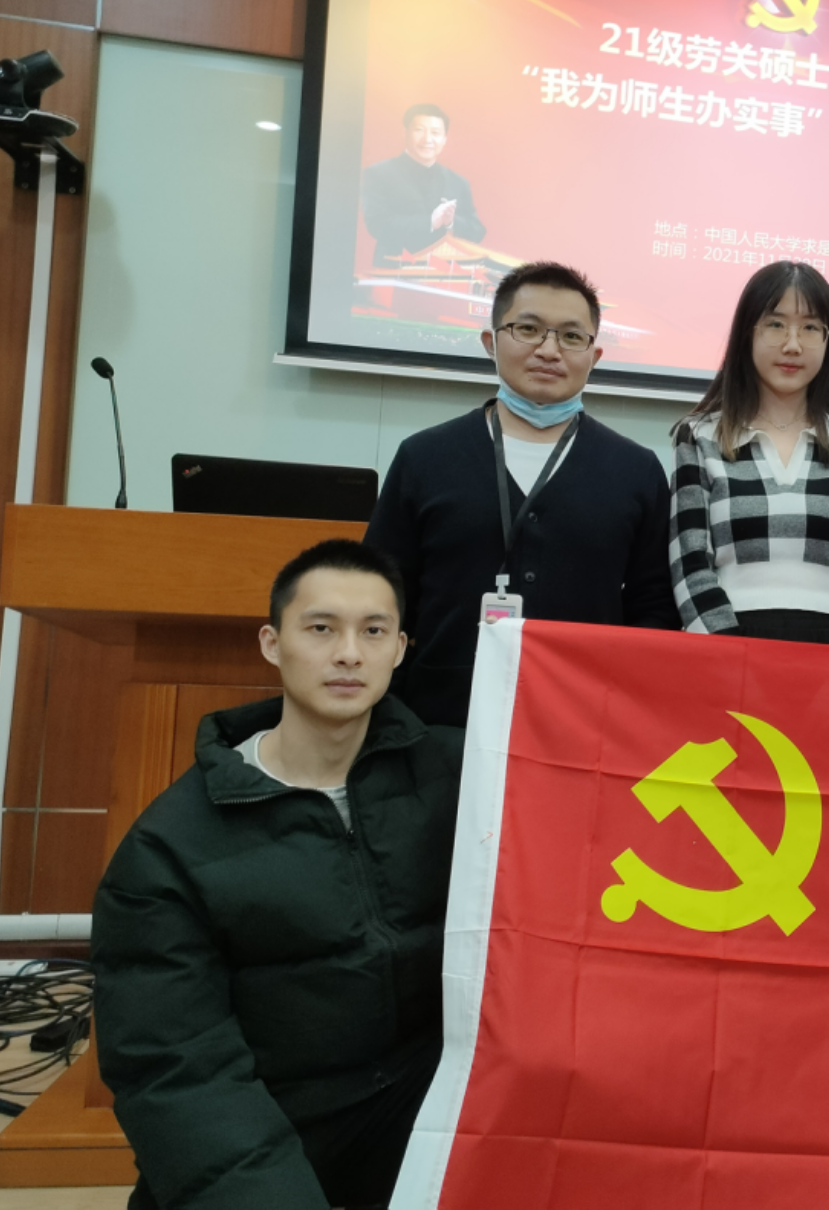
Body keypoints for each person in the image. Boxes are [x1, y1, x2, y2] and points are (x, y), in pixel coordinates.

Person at [92, 540, 463, 1210]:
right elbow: (176, 1070)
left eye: (373, 631)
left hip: (421, 1105)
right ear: (272, 643)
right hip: (275, 1119)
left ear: (400, 649)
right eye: (320, 628)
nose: (348, 653)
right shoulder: (169, 846)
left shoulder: (459, 776)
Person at [366, 261, 676, 726]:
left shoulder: (636, 470)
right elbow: (380, 594)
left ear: (594, 355)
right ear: (490, 342)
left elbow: (653, 607)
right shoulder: (424, 458)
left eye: (571, 336)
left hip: (583, 721)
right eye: (528, 329)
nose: (549, 350)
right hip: (438, 721)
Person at [669, 261, 829, 644]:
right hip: (727, 644)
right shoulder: (699, 436)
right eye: (775, 324)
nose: (792, 344)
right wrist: (727, 654)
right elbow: (689, 562)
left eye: (811, 328)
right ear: (747, 333)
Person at [360, 102, 486, 262]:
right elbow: (377, 225)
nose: (427, 139)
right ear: (405, 132)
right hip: (394, 269)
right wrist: (431, 221)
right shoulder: (377, 174)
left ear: (444, 139)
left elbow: (477, 231)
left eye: (435, 132)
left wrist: (451, 221)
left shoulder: (458, 182)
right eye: (419, 130)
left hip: (446, 272)